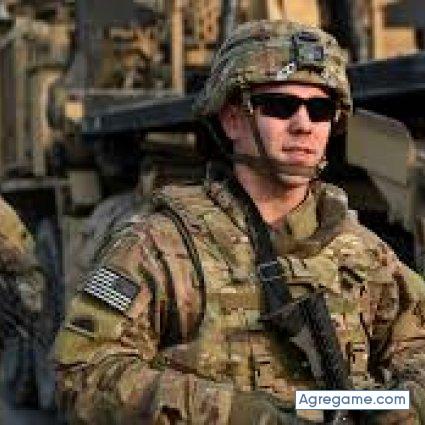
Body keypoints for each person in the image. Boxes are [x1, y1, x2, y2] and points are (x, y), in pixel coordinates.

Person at [53, 20, 425, 424]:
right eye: (280, 106)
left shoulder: (365, 254)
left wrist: (398, 405)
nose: (303, 124)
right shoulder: (161, 247)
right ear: (233, 119)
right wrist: (239, 414)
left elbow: (417, 351)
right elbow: (82, 374)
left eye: (320, 110)